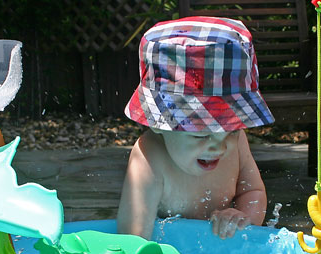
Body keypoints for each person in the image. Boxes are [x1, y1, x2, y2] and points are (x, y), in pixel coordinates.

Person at [117, 16, 275, 240]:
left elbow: (252, 192)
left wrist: (241, 216)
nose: (218, 147)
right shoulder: (149, 157)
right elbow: (133, 239)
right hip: (169, 253)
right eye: (201, 134)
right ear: (159, 124)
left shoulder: (237, 142)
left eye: (231, 130)